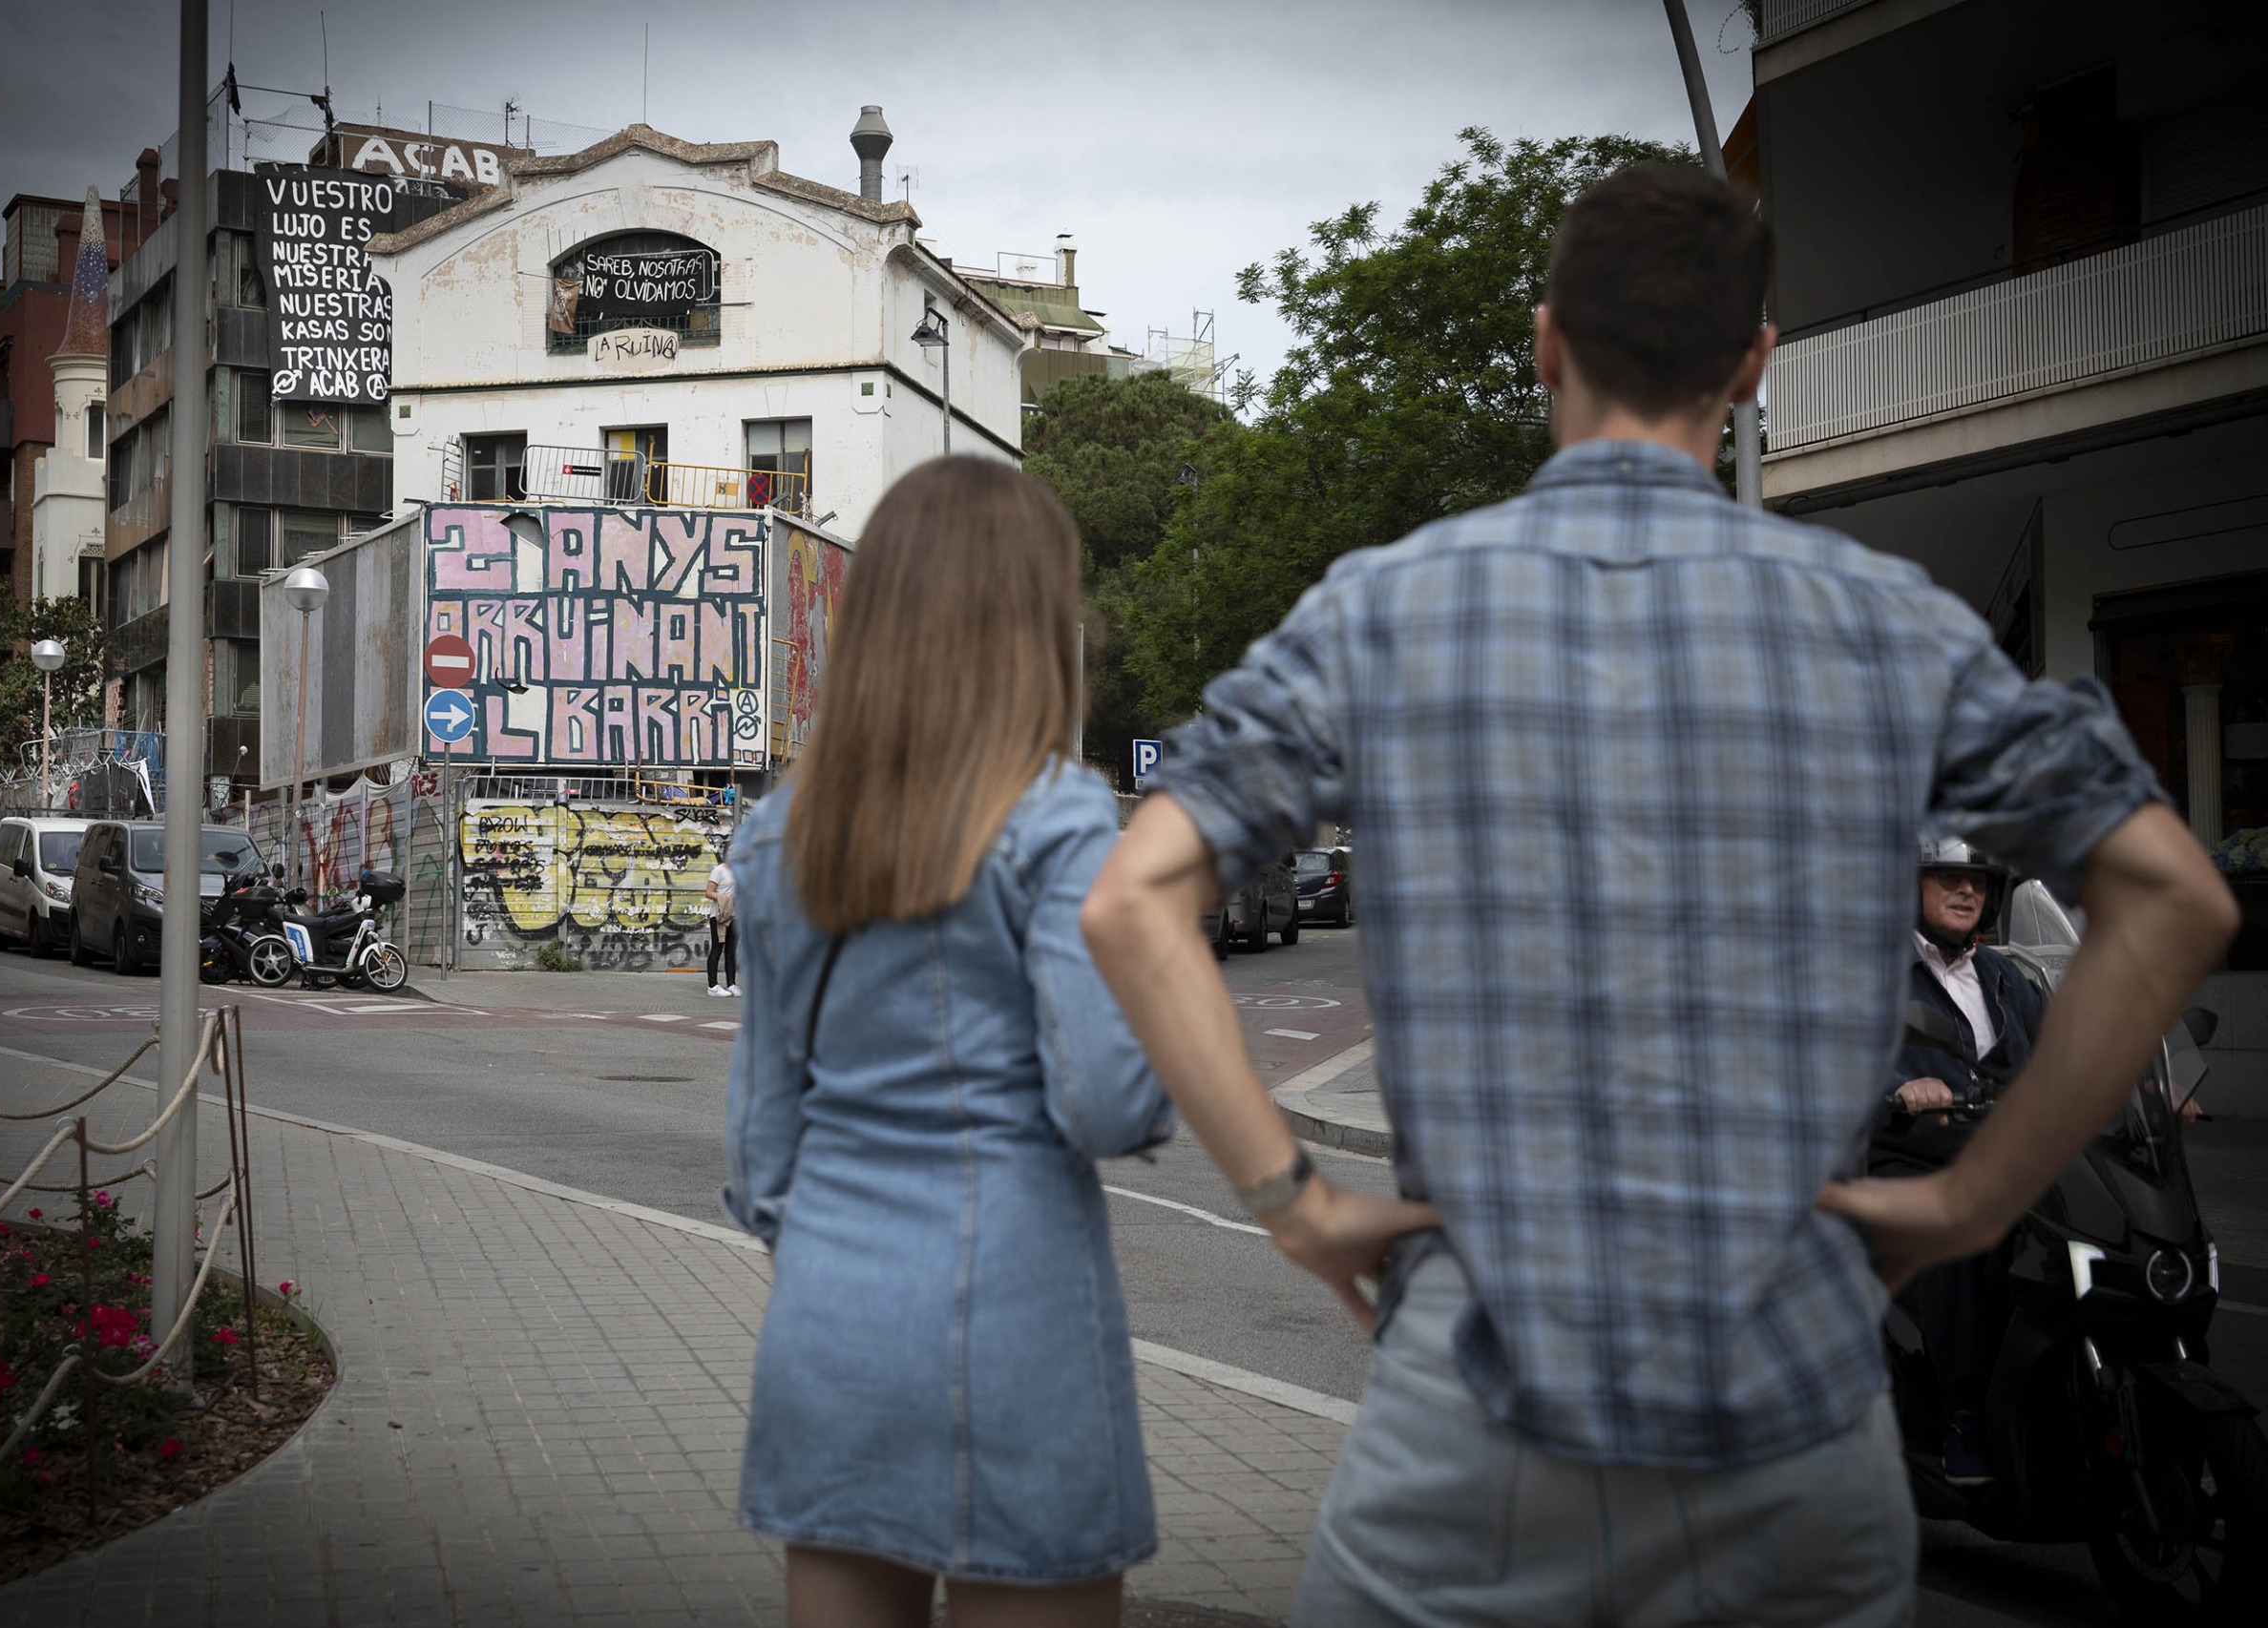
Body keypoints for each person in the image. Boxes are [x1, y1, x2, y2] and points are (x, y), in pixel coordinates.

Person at [1080, 162, 2237, 1628]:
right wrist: (1966, 1199)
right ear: (1755, 363)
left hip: (1478, 1429)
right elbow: (2171, 897)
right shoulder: (1890, 626)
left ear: (1548, 340)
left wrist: (1294, 1201)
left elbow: (1133, 900)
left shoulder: (1383, 609)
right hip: (1800, 1434)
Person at [723, 456, 1171, 1628]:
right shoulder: (1060, 818)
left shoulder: (776, 839)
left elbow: (758, 1158)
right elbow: (1104, 1102)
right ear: (1034, 627)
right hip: (1015, 1319)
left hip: (828, 1324)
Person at [1869, 837, 2048, 1486]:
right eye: (1946, 877)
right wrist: (1897, 1086)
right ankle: (1965, 1411)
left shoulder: (2006, 976)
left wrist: (2146, 1082)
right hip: (1913, 1160)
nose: (1966, 889)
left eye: (1976, 879)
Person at [705, 848, 739, 997]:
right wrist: (724, 899)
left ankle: (731, 984)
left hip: (736, 915)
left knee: (731, 951)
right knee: (717, 949)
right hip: (719, 915)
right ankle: (712, 986)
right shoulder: (719, 870)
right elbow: (708, 892)